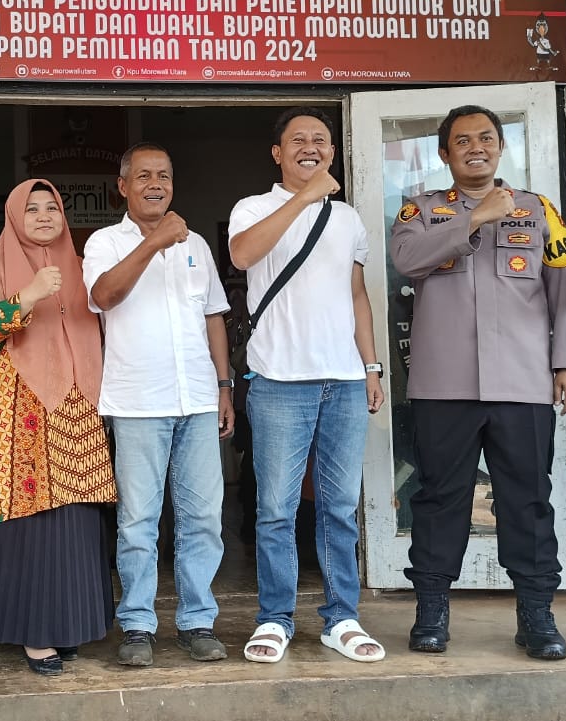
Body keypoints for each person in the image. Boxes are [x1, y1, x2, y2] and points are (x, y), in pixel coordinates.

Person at [390, 105, 566, 660]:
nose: (475, 147)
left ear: (501, 147)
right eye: (462, 140)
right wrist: (475, 219)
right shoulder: (420, 211)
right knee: (440, 499)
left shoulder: (539, 210)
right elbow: (407, 260)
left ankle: (537, 614)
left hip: (522, 384)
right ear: (444, 153)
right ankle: (431, 609)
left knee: (527, 500)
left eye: (485, 138)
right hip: (444, 385)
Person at [229, 107, 386, 664]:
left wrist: (372, 367)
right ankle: (275, 618)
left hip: (343, 381)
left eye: (320, 139)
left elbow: (357, 295)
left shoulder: (348, 218)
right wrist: (306, 197)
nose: (310, 147)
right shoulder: (253, 208)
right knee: (275, 508)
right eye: (298, 140)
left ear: (333, 151)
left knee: (339, 507)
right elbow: (243, 254)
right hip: (279, 381)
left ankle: (341, 618)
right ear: (278, 153)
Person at [82, 143, 233, 667]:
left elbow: (213, 316)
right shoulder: (105, 242)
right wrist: (155, 241)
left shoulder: (197, 245)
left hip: (198, 398)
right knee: (138, 521)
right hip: (138, 402)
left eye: (164, 176)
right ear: (123, 187)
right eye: (144, 176)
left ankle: (197, 621)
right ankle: (137, 625)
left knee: (203, 518)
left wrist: (224, 386)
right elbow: (103, 296)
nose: (155, 184)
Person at [0, 179, 117, 676]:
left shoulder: (83, 267)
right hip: (19, 411)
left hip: (77, 406)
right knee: (29, 521)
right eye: (32, 209)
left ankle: (69, 623)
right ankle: (34, 631)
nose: (45, 216)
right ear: (14, 216)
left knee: (74, 519)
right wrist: (27, 295)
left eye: (53, 207)